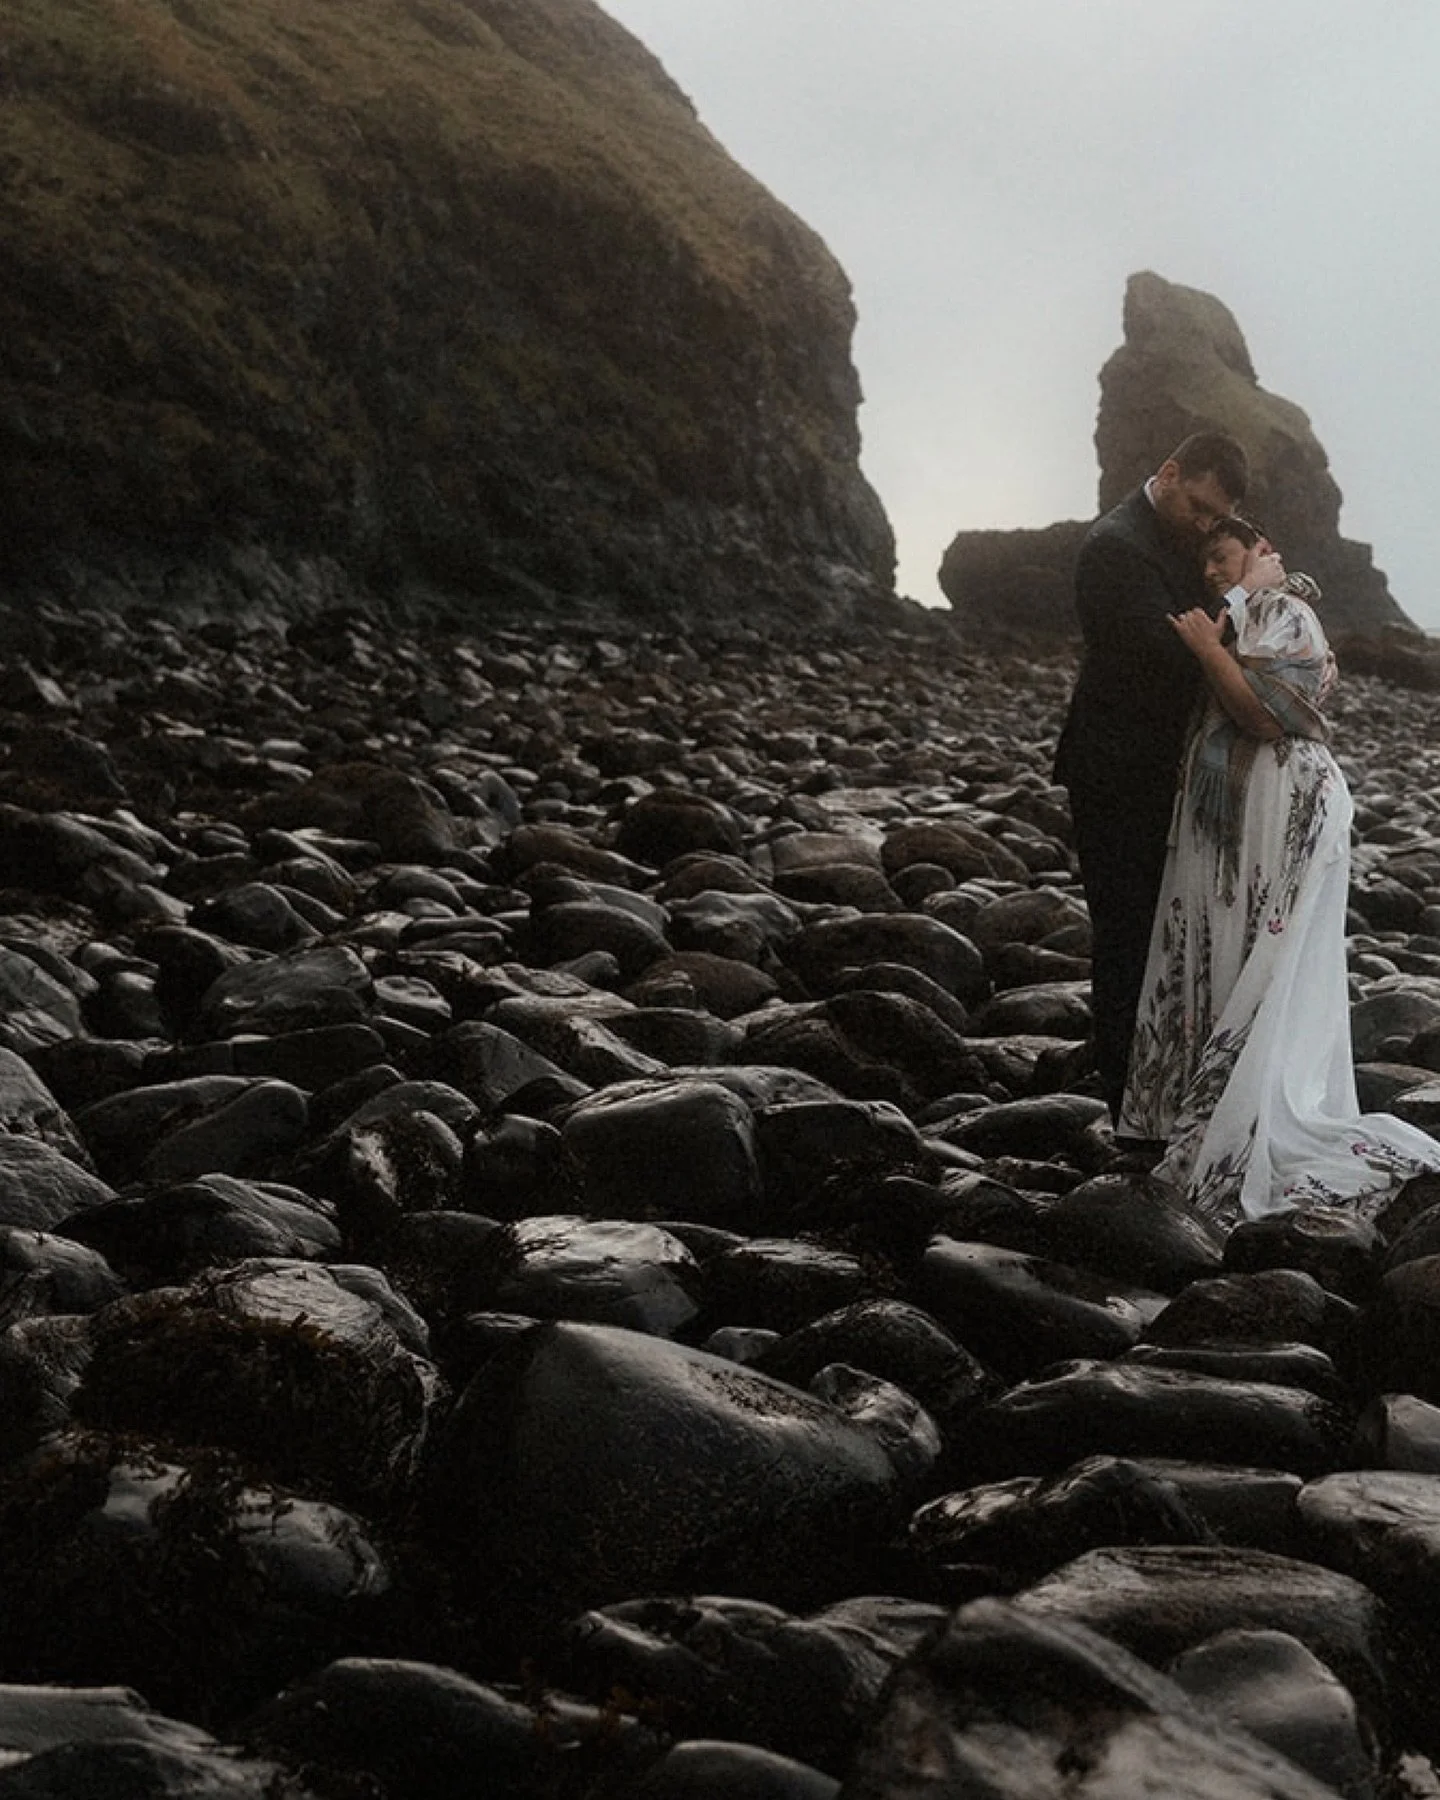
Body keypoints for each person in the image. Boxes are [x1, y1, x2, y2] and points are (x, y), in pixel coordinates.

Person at [1119, 515, 1440, 1224]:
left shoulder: (1283, 612)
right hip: (1248, 802)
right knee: (1228, 947)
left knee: (1266, 957)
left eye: (1223, 555)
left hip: (1287, 800)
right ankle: (1193, 1111)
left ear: (1260, 552)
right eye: (1203, 561)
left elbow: (1265, 717)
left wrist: (1211, 648)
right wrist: (1221, 627)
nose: (1210, 570)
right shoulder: (1242, 616)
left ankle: (1242, 1117)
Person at [1054, 432, 1258, 1125]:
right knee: (1127, 933)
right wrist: (1245, 597)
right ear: (1168, 473)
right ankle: (1125, 1104)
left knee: (1170, 932)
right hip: (1116, 770)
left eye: (1216, 517)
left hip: (1164, 767)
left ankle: (1165, 1087)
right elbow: (1166, 657)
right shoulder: (1116, 547)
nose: (1204, 526)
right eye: (1198, 507)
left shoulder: (1181, 533)